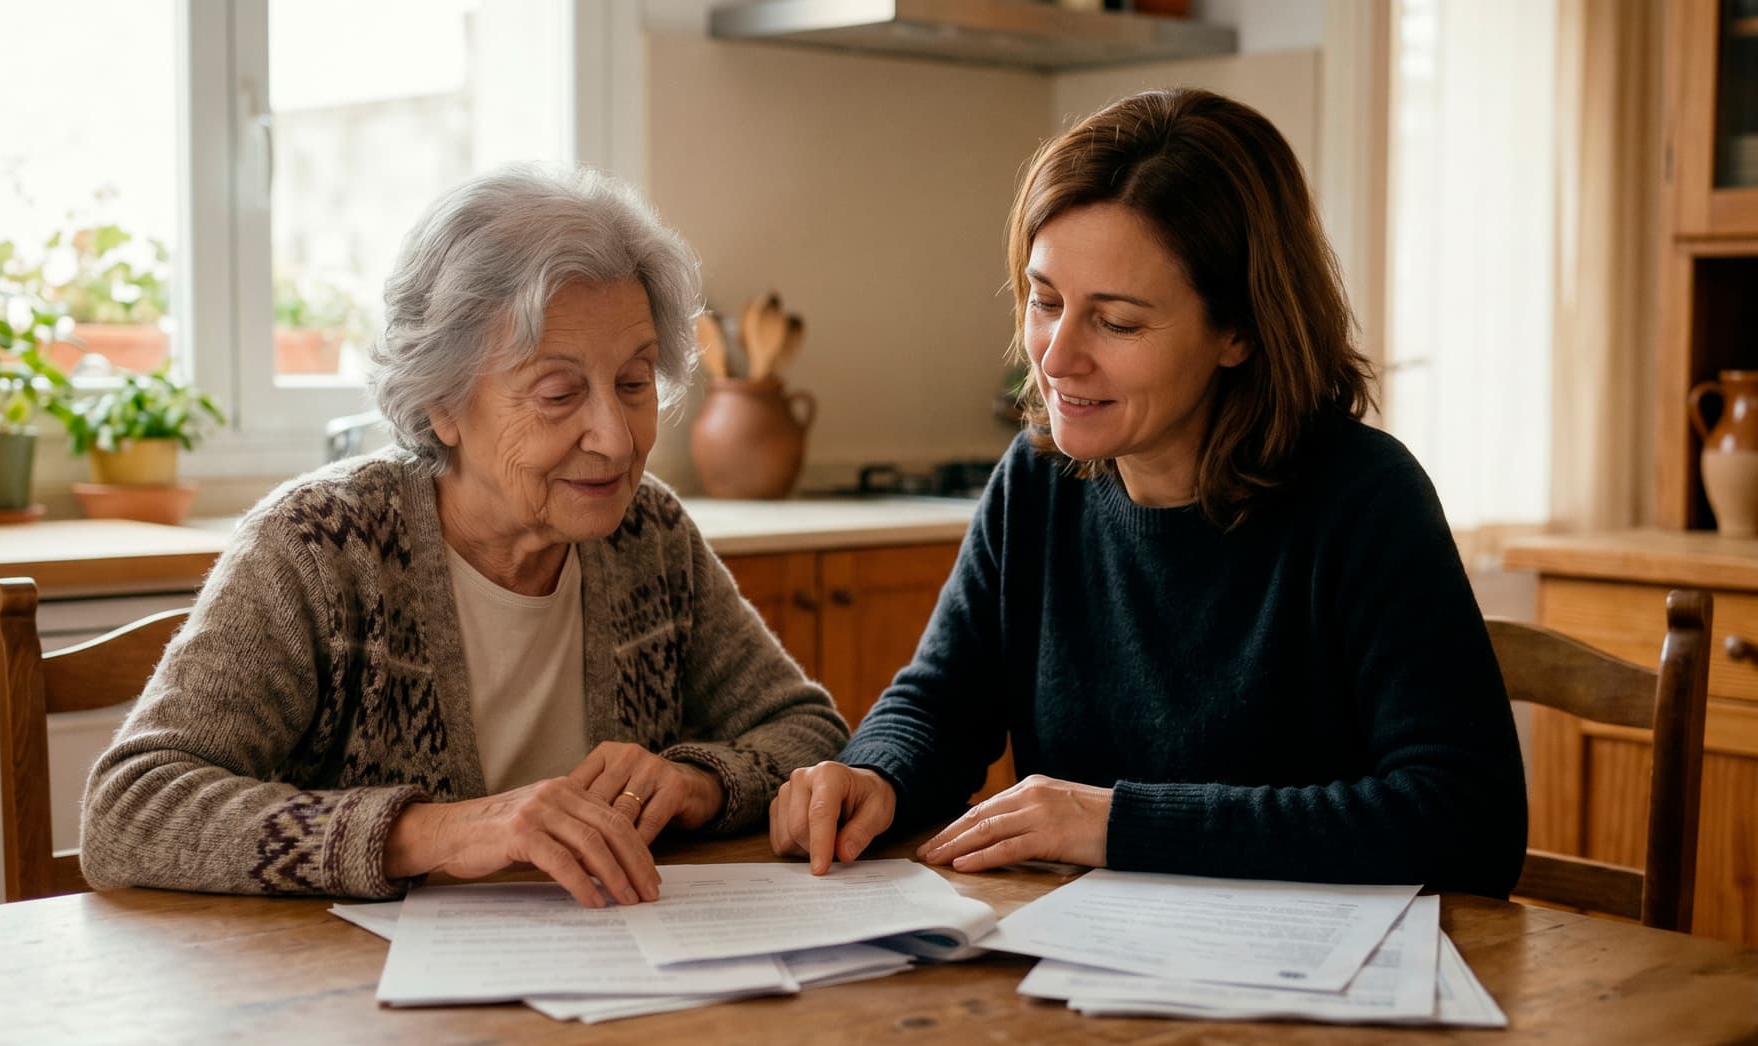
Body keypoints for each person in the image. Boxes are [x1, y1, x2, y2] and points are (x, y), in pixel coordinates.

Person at [769, 89, 1527, 898]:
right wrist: (872, 774)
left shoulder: (1364, 499)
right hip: (1088, 980)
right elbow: (940, 705)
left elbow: (1468, 821)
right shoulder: (1038, 482)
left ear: (1239, 331)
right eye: (1045, 301)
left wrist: (1116, 824)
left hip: (1310, 999)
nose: (1055, 359)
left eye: (1118, 323)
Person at [81, 165, 847, 907]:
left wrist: (697, 782)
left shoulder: (647, 532)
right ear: (442, 401)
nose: (614, 440)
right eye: (558, 393)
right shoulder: (319, 548)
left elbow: (808, 731)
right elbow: (131, 810)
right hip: (349, 1008)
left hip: (608, 988)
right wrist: (435, 833)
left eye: (634, 382)